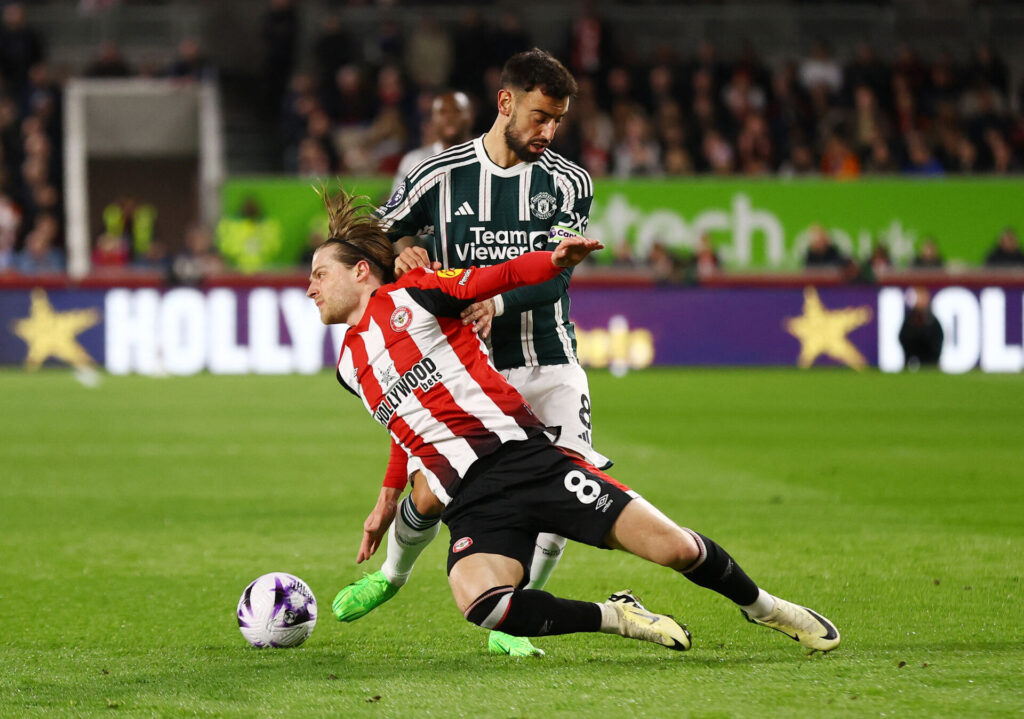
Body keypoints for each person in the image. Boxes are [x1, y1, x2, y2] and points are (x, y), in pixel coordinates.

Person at [307, 189, 841, 656]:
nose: (310, 289)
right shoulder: (349, 368)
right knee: (482, 605)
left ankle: (766, 608)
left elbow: (503, 275)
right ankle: (617, 617)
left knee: (674, 548)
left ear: (359, 271)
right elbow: (407, 425)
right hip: (469, 500)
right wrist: (387, 494)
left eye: (319, 274)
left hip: (525, 459)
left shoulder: (417, 295)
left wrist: (555, 259)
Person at [333, 48, 608, 658]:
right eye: (541, 116)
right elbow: (384, 237)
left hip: (550, 360)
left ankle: (516, 618)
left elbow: (559, 274)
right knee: (430, 493)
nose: (549, 132)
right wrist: (405, 248)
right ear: (506, 102)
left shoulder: (569, 181)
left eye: (558, 121)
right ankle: (391, 576)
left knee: (567, 493)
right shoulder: (436, 175)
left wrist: (499, 307)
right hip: (468, 371)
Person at [392, 91, 474, 192]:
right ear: (433, 119)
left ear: (470, 117)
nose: (449, 117)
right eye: (443, 112)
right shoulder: (414, 161)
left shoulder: (484, 159)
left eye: (456, 111)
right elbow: (398, 205)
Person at [899, 287, 944, 370]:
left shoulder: (932, 320)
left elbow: (938, 339)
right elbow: (902, 336)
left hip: (930, 359)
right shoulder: (910, 319)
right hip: (911, 357)